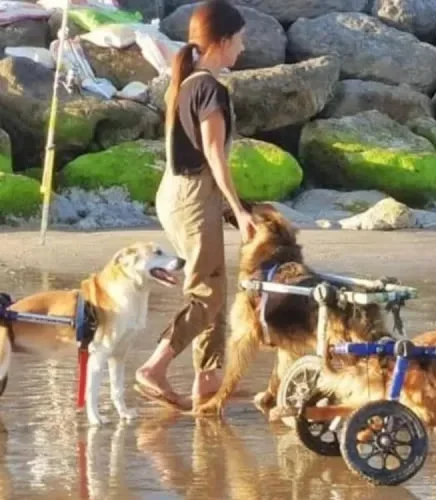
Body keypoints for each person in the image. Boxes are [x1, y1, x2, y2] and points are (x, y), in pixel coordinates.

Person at [134, 0, 256, 412]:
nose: (243, 47)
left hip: (178, 191)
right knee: (207, 295)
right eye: (239, 40)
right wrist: (239, 210)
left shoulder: (186, 84)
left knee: (214, 289)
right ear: (221, 41)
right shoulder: (208, 87)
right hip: (192, 195)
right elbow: (214, 155)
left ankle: (209, 379)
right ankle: (154, 367)